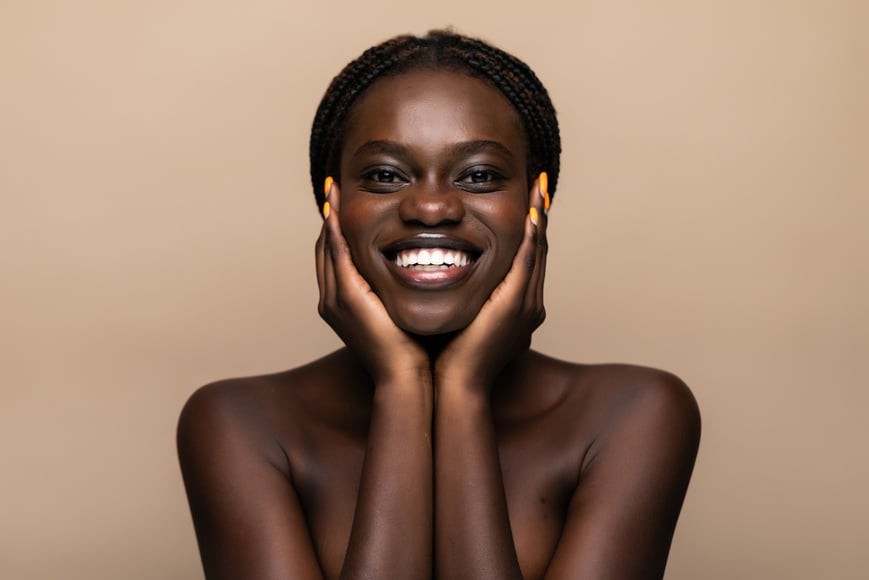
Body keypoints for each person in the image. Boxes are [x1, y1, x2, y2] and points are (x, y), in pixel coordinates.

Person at [177, 30, 701, 580]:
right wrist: (401, 385)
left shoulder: (634, 415)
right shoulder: (239, 424)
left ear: (536, 204)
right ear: (331, 206)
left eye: (478, 175)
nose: (430, 207)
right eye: (384, 175)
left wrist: (463, 391)